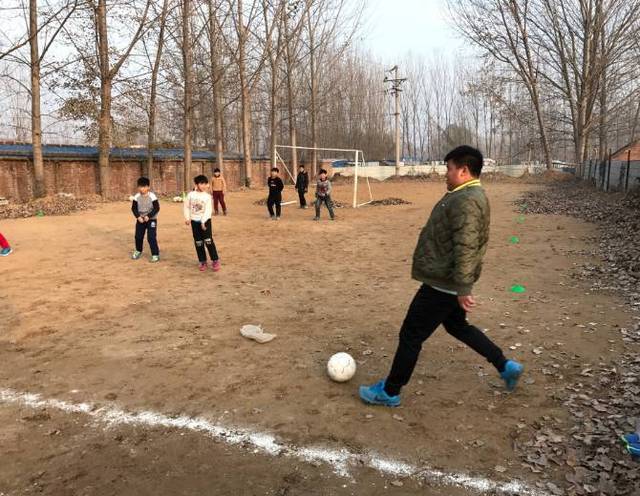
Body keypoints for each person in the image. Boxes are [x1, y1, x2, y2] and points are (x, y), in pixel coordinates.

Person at [359, 145, 523, 407]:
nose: (444, 174)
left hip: (443, 284)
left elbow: (467, 245)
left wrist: (462, 288)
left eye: (448, 169)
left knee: (411, 335)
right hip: (447, 280)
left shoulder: (466, 200)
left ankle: (390, 391)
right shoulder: (465, 195)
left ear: (464, 170)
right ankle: (505, 365)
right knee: (458, 327)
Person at [184, 175, 221, 272]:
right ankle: (202, 261)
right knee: (198, 242)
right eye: (201, 184)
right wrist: (188, 218)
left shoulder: (207, 196)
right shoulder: (191, 195)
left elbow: (208, 210)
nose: (204, 186)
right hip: (194, 222)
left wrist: (203, 221)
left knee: (208, 241)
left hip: (205, 222)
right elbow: (186, 207)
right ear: (196, 184)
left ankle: (215, 260)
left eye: (205, 183)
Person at [131, 177, 160, 263]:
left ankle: (155, 254)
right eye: (140, 187)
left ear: (148, 187)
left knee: (151, 237)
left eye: (144, 187)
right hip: (140, 219)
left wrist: (149, 216)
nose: (142, 189)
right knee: (138, 236)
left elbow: (156, 208)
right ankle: (138, 250)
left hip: (151, 220)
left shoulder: (152, 196)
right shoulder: (136, 197)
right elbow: (134, 208)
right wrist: (138, 217)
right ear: (138, 187)